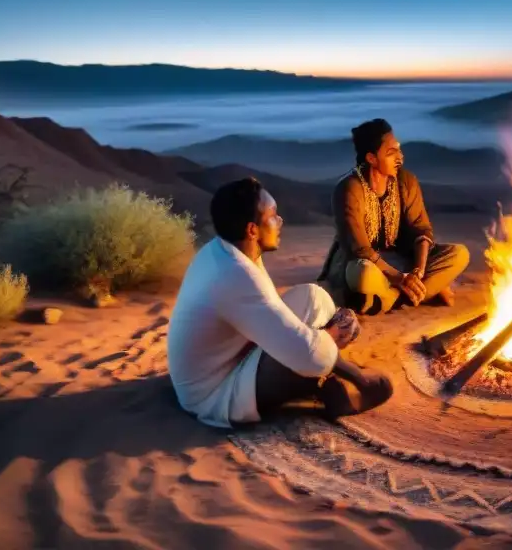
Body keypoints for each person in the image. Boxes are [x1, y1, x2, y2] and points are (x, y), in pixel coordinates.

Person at [167, 177, 392, 428]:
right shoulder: (234, 274)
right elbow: (303, 352)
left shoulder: (224, 250)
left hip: (229, 358)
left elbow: (271, 312)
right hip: (213, 394)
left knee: (312, 297)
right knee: (304, 355)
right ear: (252, 230)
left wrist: (327, 332)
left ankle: (322, 376)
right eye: (273, 216)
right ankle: (338, 386)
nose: (280, 221)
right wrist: (351, 365)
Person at [318, 118, 470, 314]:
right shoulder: (349, 189)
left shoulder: (406, 181)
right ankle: (418, 293)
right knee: (362, 275)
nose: (400, 158)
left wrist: (418, 271)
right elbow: (360, 249)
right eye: (391, 153)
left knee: (459, 254)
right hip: (365, 265)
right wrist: (400, 278)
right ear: (371, 158)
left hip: (402, 260)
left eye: (399, 149)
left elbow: (421, 229)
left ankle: (387, 299)